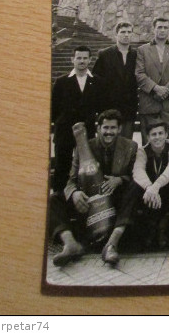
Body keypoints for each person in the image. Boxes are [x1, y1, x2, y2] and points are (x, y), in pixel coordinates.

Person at [49, 109, 138, 267]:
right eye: (105, 128)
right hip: (88, 201)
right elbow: (71, 180)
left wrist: (119, 180)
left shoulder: (130, 147)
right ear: (98, 129)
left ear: (119, 129)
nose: (108, 132)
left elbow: (134, 175)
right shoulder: (83, 147)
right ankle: (70, 244)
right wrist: (75, 193)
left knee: (134, 188)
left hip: (113, 200)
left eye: (112, 128)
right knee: (53, 199)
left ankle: (111, 245)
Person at [51, 45, 105, 192]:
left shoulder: (97, 82)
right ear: (72, 60)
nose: (82, 61)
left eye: (85, 58)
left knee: (86, 167)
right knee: (62, 167)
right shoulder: (61, 82)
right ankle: (59, 201)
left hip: (87, 132)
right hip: (65, 132)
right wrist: (63, 124)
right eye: (78, 58)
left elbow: (101, 107)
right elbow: (54, 109)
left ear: (90, 60)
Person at [132, 118, 169, 249]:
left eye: (160, 133)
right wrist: (150, 188)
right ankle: (151, 230)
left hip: (166, 187)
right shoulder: (142, 151)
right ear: (147, 137)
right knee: (137, 189)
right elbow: (138, 171)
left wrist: (155, 187)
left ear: (166, 134)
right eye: (153, 134)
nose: (157, 137)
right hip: (150, 192)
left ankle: (162, 230)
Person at [136, 17, 169, 144]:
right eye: (159, 27)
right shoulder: (142, 50)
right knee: (149, 142)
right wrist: (156, 88)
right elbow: (139, 74)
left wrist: (166, 91)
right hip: (149, 102)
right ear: (154, 29)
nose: (162, 30)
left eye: (165, 27)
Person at [92, 22, 138, 139]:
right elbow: (96, 80)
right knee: (108, 142)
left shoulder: (136, 55)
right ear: (116, 34)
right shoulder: (104, 54)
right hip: (109, 107)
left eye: (129, 32)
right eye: (123, 32)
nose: (126, 35)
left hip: (129, 108)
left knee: (126, 143)